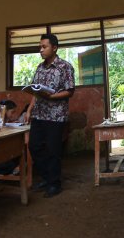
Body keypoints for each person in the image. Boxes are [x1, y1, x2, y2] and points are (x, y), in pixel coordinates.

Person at [27, 33, 75, 198]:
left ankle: (54, 184)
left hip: (56, 116)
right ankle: (47, 177)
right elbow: (35, 91)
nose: (41, 50)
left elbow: (70, 91)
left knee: (53, 150)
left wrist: (51, 96)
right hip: (39, 114)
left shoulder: (65, 67)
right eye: (40, 47)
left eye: (44, 47)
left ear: (54, 48)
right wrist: (29, 109)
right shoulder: (39, 68)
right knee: (34, 146)